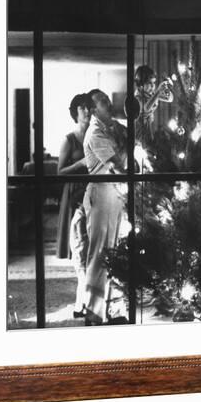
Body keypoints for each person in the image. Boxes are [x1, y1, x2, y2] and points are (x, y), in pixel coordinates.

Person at [82, 89, 128, 325]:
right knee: (100, 251)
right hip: (101, 192)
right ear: (92, 110)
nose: (109, 103)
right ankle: (93, 311)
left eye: (107, 100)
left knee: (115, 250)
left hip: (115, 193)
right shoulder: (95, 132)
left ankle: (112, 309)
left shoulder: (114, 126)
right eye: (102, 102)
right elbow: (117, 164)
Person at [55, 94, 90, 318]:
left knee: (91, 248)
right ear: (75, 112)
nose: (87, 112)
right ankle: (81, 301)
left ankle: (86, 301)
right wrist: (80, 163)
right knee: (79, 248)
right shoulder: (69, 139)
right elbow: (59, 172)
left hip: (93, 191)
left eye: (89, 108)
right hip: (75, 192)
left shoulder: (97, 134)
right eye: (83, 108)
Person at [134, 65, 173, 145]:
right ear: (141, 85)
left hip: (148, 127)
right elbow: (146, 108)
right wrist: (158, 92)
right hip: (139, 129)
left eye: (154, 82)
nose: (152, 86)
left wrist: (166, 89)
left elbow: (170, 99)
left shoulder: (151, 94)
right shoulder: (137, 97)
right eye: (149, 83)